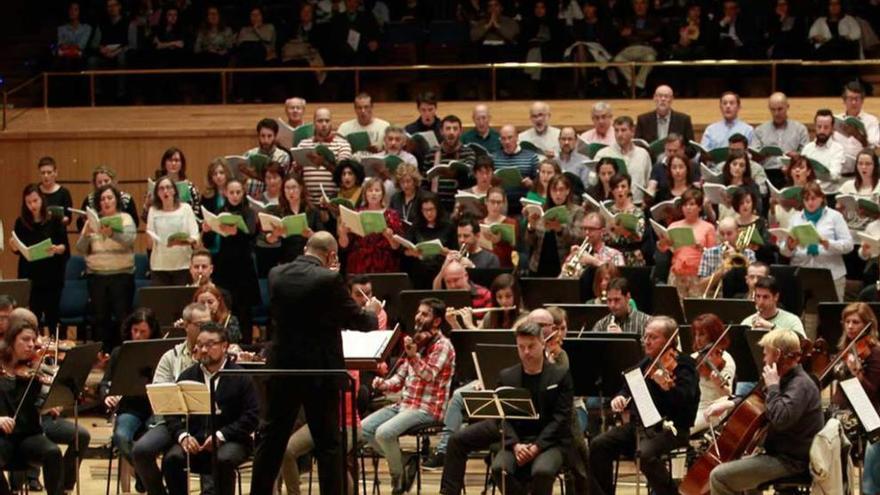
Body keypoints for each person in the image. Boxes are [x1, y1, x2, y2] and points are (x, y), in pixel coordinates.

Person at [250, 232, 378, 495]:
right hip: (319, 370)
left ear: (306, 249)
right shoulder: (329, 279)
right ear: (332, 255)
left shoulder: (276, 274)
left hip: (282, 369)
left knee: (271, 438)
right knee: (328, 443)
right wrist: (373, 313)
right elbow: (358, 321)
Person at [705, 328, 823, 495]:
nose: (764, 359)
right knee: (740, 473)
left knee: (719, 476)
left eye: (766, 353)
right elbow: (756, 396)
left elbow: (781, 419)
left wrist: (773, 386)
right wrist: (730, 404)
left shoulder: (800, 385)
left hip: (793, 462)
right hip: (778, 454)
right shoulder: (785, 377)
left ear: (778, 355)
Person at [590, 316, 699, 495]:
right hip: (641, 427)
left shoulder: (684, 365)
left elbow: (685, 399)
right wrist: (620, 397)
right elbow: (627, 387)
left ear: (670, 341)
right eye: (645, 337)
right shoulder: (646, 363)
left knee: (645, 455)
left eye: (653, 338)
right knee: (598, 445)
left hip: (671, 429)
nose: (646, 342)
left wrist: (666, 388)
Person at [365, 298, 455, 495]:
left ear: (437, 321)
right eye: (418, 312)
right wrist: (383, 384)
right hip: (405, 403)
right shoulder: (417, 341)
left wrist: (413, 356)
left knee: (384, 433)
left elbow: (428, 375)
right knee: (364, 429)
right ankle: (405, 460)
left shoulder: (443, 346)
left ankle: (398, 482)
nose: (418, 317)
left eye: (425, 314)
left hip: (428, 408)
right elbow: (400, 378)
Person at [162, 324, 260, 495]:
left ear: (224, 346)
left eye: (210, 344)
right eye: (200, 345)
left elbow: (252, 416)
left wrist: (221, 435)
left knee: (223, 459)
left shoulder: (241, 377)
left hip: (232, 440)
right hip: (195, 439)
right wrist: (183, 436)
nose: (204, 350)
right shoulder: (187, 375)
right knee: (172, 459)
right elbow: (172, 414)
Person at [132, 303, 212, 495]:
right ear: (186, 325)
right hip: (173, 421)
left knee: (172, 459)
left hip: (206, 423)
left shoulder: (215, 355)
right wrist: (179, 432)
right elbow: (161, 397)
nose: (206, 330)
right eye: (201, 325)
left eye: (209, 324)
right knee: (141, 450)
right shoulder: (170, 357)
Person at [490, 322, 573, 495]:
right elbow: (501, 418)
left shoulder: (560, 375)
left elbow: (561, 419)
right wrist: (516, 445)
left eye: (531, 346)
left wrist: (537, 446)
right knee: (499, 469)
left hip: (549, 443)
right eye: (521, 347)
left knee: (542, 471)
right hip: (517, 442)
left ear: (542, 343)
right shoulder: (506, 376)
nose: (526, 352)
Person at [0, 321, 64, 495]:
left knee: (53, 452)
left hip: (28, 437)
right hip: (2, 438)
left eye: (33, 340)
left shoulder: (34, 370)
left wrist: (50, 405)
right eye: (25, 339)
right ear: (12, 341)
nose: (31, 344)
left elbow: (37, 405)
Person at [76, 184, 136, 352]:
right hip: (97, 276)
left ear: (116, 200)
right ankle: (103, 354)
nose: (106, 201)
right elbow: (80, 248)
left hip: (121, 275)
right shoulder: (92, 220)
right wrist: (87, 235)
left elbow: (130, 240)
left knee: (122, 317)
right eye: (102, 199)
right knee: (100, 318)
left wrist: (112, 234)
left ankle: (123, 353)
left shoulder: (125, 218)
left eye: (110, 198)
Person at [99, 308, 161, 468]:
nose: (138, 336)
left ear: (152, 332)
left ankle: (145, 475)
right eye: (135, 330)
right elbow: (106, 382)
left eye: (143, 332)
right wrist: (107, 395)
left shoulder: (162, 353)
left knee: (150, 441)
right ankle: (145, 474)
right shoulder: (119, 353)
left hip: (156, 409)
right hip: (130, 408)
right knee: (120, 437)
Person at [832, 303, 880, 495]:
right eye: (847, 322)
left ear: (868, 325)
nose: (850, 326)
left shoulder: (875, 353)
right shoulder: (845, 348)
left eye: (856, 322)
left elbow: (872, 391)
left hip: (866, 413)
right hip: (841, 409)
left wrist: (857, 373)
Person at [780, 181, 853, 302]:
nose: (810, 202)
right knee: (807, 317)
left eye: (813, 198)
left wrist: (829, 244)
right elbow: (785, 251)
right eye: (806, 199)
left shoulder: (834, 217)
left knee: (830, 314)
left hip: (832, 274)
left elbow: (848, 245)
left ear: (822, 198)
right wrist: (789, 246)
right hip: (802, 272)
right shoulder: (795, 218)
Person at [206, 178, 260, 344]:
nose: (235, 196)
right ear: (225, 193)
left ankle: (246, 346)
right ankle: (224, 345)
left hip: (244, 268)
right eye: (231, 192)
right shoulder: (220, 211)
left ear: (243, 193)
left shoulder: (248, 212)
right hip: (224, 268)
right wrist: (207, 231)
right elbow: (209, 242)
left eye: (238, 192)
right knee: (225, 310)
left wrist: (236, 231)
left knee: (244, 312)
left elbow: (251, 233)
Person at [10, 184, 68, 332]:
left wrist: (57, 249)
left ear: (41, 199)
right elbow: (17, 249)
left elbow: (64, 247)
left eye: (35, 201)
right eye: (28, 202)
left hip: (52, 275)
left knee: (53, 316)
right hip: (31, 275)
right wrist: (14, 246)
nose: (32, 205)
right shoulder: (21, 222)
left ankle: (57, 349)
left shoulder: (54, 219)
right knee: (33, 318)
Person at [657, 187, 717, 299]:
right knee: (675, 309)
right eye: (685, 205)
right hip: (677, 273)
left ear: (699, 207)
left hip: (697, 275)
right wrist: (663, 242)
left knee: (695, 310)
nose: (688, 208)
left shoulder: (708, 227)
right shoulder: (674, 226)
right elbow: (663, 248)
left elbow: (713, 255)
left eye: (692, 204)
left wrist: (702, 249)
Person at [338, 177, 403, 274]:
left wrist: (389, 238)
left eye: (377, 190)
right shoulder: (357, 213)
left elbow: (396, 247)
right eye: (370, 190)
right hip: (359, 261)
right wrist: (343, 234)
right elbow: (344, 245)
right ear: (365, 194)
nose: (373, 193)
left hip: (384, 262)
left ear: (382, 194)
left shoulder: (391, 215)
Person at [525, 174, 585, 276]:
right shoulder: (541, 210)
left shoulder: (577, 211)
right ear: (549, 192)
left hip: (563, 264)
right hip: (539, 265)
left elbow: (579, 238)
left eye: (561, 190)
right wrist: (531, 226)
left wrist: (560, 230)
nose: (558, 194)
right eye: (554, 190)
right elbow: (529, 242)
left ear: (567, 191)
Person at [146, 176, 199, 286]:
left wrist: (184, 241)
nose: (165, 191)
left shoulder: (186, 208)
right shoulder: (153, 210)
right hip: (159, 265)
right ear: (157, 193)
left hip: (183, 264)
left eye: (168, 187)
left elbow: (195, 236)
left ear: (174, 190)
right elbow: (150, 239)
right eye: (161, 188)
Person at [690, 313, 735, 433]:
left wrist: (718, 383)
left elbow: (727, 394)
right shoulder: (694, 357)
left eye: (702, 334)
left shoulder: (725, 359)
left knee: (680, 429)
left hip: (711, 410)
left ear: (713, 335)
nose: (697, 339)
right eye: (695, 334)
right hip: (692, 407)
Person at [264, 174, 323, 265]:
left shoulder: (312, 211)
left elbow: (323, 239)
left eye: (294, 187)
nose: (291, 192)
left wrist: (311, 235)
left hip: (308, 261)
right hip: (286, 260)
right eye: (287, 188)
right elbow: (268, 240)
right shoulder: (278, 211)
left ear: (301, 188)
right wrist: (275, 235)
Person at [299, 108, 354, 204]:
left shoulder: (343, 144)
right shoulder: (303, 144)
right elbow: (296, 175)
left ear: (331, 123)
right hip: (308, 202)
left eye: (327, 121)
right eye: (320, 121)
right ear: (314, 124)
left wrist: (324, 164)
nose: (324, 124)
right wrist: (297, 169)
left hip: (334, 201)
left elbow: (343, 175)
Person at [751, 92, 809, 177]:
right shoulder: (760, 130)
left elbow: (807, 155)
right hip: (766, 172)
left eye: (780, 109)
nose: (776, 113)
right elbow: (753, 156)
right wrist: (761, 155)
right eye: (773, 110)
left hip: (792, 172)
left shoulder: (800, 129)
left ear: (787, 107)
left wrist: (797, 156)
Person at [594, 116, 651, 203]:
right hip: (611, 204)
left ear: (632, 131)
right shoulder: (603, 154)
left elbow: (647, 181)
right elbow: (594, 182)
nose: (619, 134)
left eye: (623, 130)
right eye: (616, 130)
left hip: (637, 204)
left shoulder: (643, 154)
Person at [696, 217, 757, 296]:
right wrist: (720, 272)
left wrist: (737, 257)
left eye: (729, 234)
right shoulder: (708, 253)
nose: (725, 238)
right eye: (722, 234)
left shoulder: (749, 254)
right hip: (716, 300)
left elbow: (755, 283)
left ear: (738, 232)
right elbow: (701, 287)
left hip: (742, 298)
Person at [833, 81, 880, 171]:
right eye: (850, 99)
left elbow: (874, 145)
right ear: (844, 100)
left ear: (862, 101)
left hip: (863, 166)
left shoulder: (871, 120)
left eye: (857, 99)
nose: (854, 102)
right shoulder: (835, 120)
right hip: (839, 165)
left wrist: (860, 136)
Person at [76, 165, 139, 230]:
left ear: (113, 181)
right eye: (99, 182)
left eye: (106, 181)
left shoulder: (126, 198)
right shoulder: (89, 199)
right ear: (95, 184)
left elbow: (135, 223)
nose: (103, 184)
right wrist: (84, 220)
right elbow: (80, 226)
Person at [741, 275, 806, 337]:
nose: (761, 302)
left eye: (765, 297)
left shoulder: (792, 320)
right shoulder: (747, 322)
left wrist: (772, 327)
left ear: (776, 297)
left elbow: (802, 343)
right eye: (758, 296)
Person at [147, 147, 202, 221]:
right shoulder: (157, 186)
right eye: (170, 160)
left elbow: (198, 213)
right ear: (164, 163)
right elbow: (145, 218)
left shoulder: (190, 187)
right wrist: (147, 204)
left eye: (176, 160)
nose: (173, 163)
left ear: (182, 164)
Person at [604, 173, 647, 266]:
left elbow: (639, 236)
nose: (620, 190)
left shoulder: (637, 212)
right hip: (610, 255)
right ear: (612, 190)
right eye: (616, 187)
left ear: (629, 189)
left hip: (631, 254)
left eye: (623, 186)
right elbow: (604, 237)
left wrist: (623, 232)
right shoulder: (607, 211)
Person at [244, 119, 292, 199]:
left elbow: (277, 181)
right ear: (258, 136)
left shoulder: (283, 156)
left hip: (274, 199)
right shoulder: (249, 155)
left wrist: (253, 175)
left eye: (269, 136)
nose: (266, 140)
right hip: (250, 199)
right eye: (262, 136)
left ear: (275, 136)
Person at [801, 109, 845, 193]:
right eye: (819, 126)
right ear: (815, 127)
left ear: (832, 128)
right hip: (809, 194)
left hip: (829, 195)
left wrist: (817, 173)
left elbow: (835, 175)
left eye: (826, 127)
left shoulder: (838, 149)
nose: (822, 131)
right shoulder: (807, 148)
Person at [481, 186, 520, 268]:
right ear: (486, 201)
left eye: (499, 202)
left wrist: (499, 241)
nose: (495, 206)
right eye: (492, 202)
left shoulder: (512, 223)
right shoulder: (479, 224)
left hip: (504, 266)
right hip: (483, 266)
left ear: (503, 203)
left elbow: (514, 248)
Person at [36, 157, 73, 226]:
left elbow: (69, 218)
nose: (46, 176)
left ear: (55, 173)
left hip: (58, 233)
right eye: (43, 173)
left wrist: (63, 219)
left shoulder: (64, 193)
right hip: (39, 232)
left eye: (49, 172)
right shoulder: (35, 191)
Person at [388, 163, 423, 227]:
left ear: (415, 181)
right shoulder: (395, 198)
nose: (405, 185)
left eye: (408, 181)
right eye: (402, 182)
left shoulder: (424, 197)